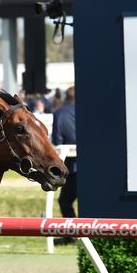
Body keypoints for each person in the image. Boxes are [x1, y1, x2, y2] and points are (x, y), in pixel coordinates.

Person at [51, 86, 77, 245]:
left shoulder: (60, 113)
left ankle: (72, 235)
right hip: (96, 168)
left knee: (65, 202)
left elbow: (57, 141)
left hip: (72, 167)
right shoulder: (93, 109)